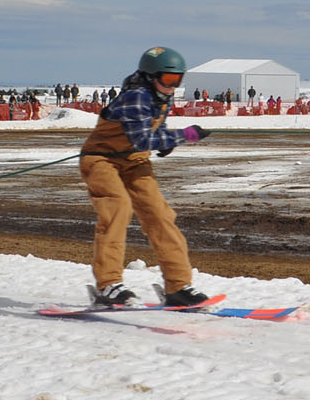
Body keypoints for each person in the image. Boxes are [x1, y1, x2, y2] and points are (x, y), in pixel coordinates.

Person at [79, 46, 214, 307]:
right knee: (118, 208)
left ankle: (179, 286)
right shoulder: (137, 96)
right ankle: (109, 285)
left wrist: (166, 141)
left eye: (178, 81)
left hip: (135, 162)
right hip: (102, 159)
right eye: (168, 80)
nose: (172, 86)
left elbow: (154, 130)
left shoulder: (162, 97)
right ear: (151, 76)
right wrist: (184, 136)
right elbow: (142, 139)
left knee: (161, 216)